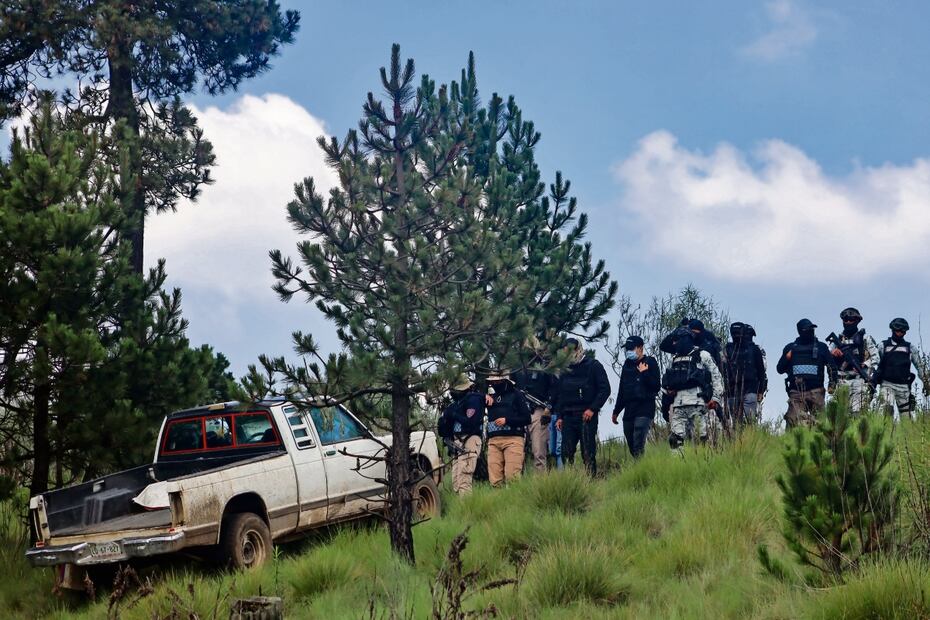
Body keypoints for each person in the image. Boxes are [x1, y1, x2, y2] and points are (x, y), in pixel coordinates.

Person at [553, 338, 611, 476]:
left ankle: (591, 481)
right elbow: (560, 395)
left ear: (578, 349)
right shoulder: (564, 370)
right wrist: (559, 416)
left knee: (588, 452)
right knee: (566, 453)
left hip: (587, 416)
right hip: (568, 417)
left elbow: (605, 390)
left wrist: (592, 409)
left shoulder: (593, 365)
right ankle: (569, 481)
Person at [662, 330, 724, 448]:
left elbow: (716, 377)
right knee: (675, 440)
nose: (674, 343)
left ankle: (704, 463)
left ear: (685, 339)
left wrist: (715, 399)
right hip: (678, 406)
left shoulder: (702, 355)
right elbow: (666, 383)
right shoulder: (674, 360)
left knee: (703, 439)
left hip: (699, 404)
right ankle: (678, 465)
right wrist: (665, 407)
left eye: (677, 340)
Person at [777, 319, 837, 428]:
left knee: (821, 426)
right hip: (796, 393)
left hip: (816, 391)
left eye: (812, 329)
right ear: (800, 331)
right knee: (793, 423)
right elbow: (780, 369)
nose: (811, 332)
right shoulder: (790, 348)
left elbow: (832, 367)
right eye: (808, 329)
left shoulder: (821, 347)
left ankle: (822, 445)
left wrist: (832, 384)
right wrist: (787, 358)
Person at [611, 336, 660, 458]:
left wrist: (645, 373)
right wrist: (616, 411)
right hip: (629, 409)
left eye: (631, 348)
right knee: (631, 443)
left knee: (638, 442)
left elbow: (656, 386)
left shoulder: (650, 362)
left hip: (645, 408)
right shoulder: (627, 365)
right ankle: (640, 465)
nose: (629, 351)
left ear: (640, 348)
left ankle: (641, 469)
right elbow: (622, 389)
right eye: (627, 349)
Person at [438, 376, 485, 495]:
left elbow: (471, 422)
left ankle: (467, 510)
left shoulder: (473, 400)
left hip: (469, 439)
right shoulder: (454, 405)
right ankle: (462, 507)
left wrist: (454, 415)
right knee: (456, 481)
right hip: (456, 442)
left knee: (464, 479)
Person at [873, 318, 929, 419]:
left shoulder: (910, 348)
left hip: (904, 387)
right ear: (892, 329)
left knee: (907, 417)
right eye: (897, 330)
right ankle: (885, 433)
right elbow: (874, 362)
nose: (899, 333)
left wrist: (927, 382)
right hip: (886, 385)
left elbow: (920, 367)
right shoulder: (882, 346)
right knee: (885, 412)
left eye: (902, 331)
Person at [827, 307, 879, 414]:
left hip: (859, 380)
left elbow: (876, 358)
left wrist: (864, 365)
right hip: (841, 381)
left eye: (851, 319)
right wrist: (833, 354)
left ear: (858, 320)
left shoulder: (866, 339)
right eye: (846, 319)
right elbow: (826, 359)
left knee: (857, 414)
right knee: (839, 415)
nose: (848, 322)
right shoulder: (837, 340)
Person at [484, 371, 532, 487]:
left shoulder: (517, 395)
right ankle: (498, 503)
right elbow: (470, 398)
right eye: (493, 382)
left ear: (504, 381)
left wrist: (507, 420)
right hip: (493, 441)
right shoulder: (490, 397)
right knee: (495, 480)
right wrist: (483, 397)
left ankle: (515, 503)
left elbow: (527, 418)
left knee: (512, 477)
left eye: (497, 381)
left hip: (513, 439)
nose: (495, 383)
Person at [511, 364, 556, 473]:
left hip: (538, 411)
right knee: (516, 452)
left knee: (539, 451)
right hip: (519, 413)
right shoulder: (516, 366)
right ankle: (516, 484)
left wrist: (548, 408)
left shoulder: (544, 366)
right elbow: (512, 389)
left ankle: (540, 485)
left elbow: (554, 389)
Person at [721, 322, 767, 426]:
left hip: (733, 392)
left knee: (737, 424)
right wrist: (761, 391)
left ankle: (741, 440)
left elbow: (722, 371)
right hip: (748, 391)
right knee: (750, 423)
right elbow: (761, 372)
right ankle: (748, 439)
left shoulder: (727, 349)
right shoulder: (755, 349)